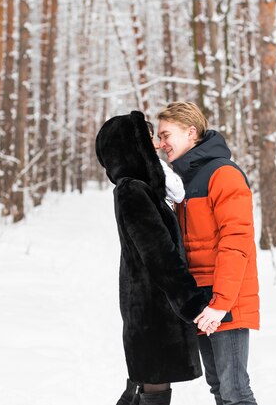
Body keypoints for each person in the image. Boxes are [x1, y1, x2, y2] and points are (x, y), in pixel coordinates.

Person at [95, 110, 218, 405]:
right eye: (148, 137)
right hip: (151, 308)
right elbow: (159, 255)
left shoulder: (144, 189)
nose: (158, 144)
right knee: (153, 386)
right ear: (131, 144)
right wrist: (192, 304)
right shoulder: (133, 190)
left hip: (152, 304)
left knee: (147, 384)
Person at [156, 101, 260, 405]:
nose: (162, 145)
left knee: (235, 390)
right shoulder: (180, 183)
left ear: (191, 132)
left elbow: (236, 241)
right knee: (218, 387)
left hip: (223, 298)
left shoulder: (223, 174)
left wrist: (221, 304)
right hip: (202, 299)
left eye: (166, 135)